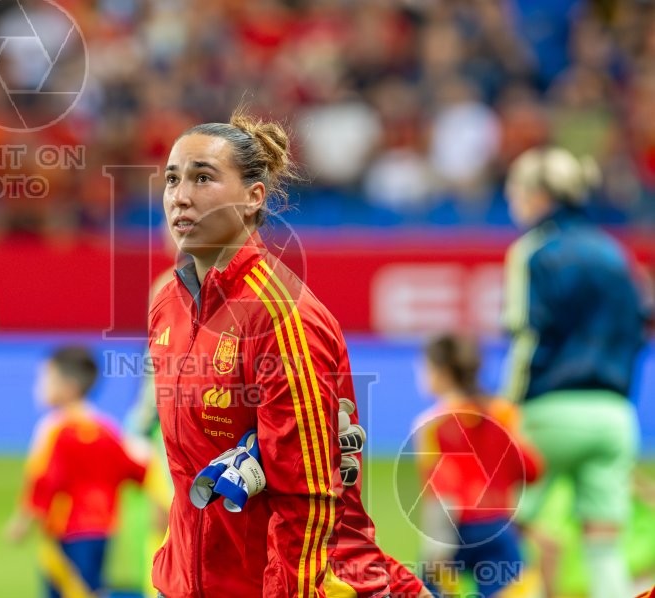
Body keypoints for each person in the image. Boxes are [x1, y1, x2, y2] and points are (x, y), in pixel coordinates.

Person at [148, 110, 429, 597]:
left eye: (203, 178)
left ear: (253, 197)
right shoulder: (168, 302)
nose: (181, 196)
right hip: (197, 582)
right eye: (172, 179)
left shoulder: (281, 314)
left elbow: (310, 499)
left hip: (294, 582)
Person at [501, 146, 649, 598]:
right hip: (615, 417)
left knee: (506, 531)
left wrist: (507, 409)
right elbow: (638, 329)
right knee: (604, 545)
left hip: (549, 411)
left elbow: (526, 334)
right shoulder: (616, 254)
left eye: (517, 190)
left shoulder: (533, 251)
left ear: (538, 195)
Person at [5, 346, 149, 598]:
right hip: (103, 527)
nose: (39, 387)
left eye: (46, 379)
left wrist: (23, 520)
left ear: (68, 386)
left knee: (68, 590)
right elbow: (136, 469)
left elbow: (45, 480)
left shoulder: (55, 429)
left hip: (66, 529)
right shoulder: (107, 429)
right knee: (89, 587)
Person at [412, 334, 543, 597]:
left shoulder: (431, 425)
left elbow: (440, 489)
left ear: (442, 372)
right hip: (499, 527)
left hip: (455, 529)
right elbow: (531, 469)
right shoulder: (503, 413)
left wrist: (434, 550)